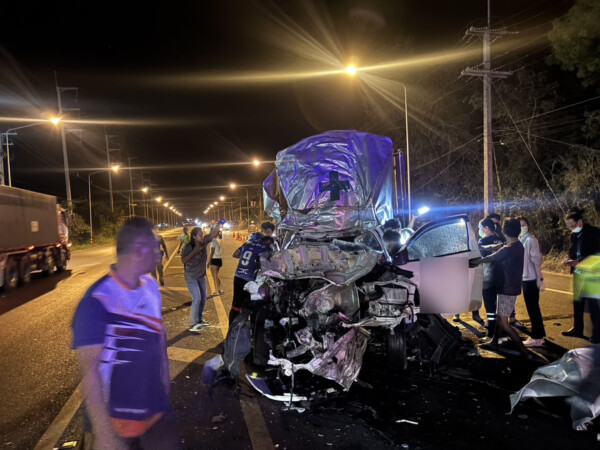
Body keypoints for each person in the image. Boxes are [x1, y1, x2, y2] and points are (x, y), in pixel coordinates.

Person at [71, 218, 181, 449]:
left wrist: (164, 386)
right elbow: (90, 372)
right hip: (115, 423)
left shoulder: (151, 287)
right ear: (138, 249)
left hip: (156, 414)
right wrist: (104, 434)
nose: (159, 254)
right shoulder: (98, 299)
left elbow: (159, 339)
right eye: (154, 248)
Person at [475, 218, 531, 359]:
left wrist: (475, 261)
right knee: (500, 319)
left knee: (504, 323)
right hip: (512, 287)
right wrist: (482, 249)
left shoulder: (509, 249)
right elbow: (496, 248)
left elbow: (492, 257)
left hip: (507, 288)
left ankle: (524, 351)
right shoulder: (517, 245)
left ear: (504, 231)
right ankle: (494, 342)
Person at [562, 211, 600, 338]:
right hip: (578, 272)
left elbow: (596, 253)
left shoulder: (594, 233)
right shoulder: (574, 234)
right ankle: (577, 329)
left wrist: (579, 262)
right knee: (578, 302)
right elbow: (573, 250)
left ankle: (597, 334)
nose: (571, 229)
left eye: (572, 226)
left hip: (591, 273)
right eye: (568, 227)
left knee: (593, 304)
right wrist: (569, 260)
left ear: (579, 222)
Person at [182, 226, 220, 333]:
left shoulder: (203, 242)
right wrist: (194, 251)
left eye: (202, 234)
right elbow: (183, 260)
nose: (202, 236)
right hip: (191, 276)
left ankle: (199, 320)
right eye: (200, 235)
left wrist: (219, 224)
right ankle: (193, 324)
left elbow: (213, 234)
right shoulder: (188, 246)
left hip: (201, 275)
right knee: (197, 298)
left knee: (203, 298)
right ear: (194, 237)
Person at [229, 233, 273, 325]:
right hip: (250, 280)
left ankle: (231, 328)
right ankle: (252, 329)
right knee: (252, 305)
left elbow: (235, 254)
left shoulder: (246, 244)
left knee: (236, 305)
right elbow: (270, 262)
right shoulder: (265, 248)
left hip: (238, 276)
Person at [517, 217, 547, 347]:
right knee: (532, 308)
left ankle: (537, 337)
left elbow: (537, 261)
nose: (523, 227)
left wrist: (540, 279)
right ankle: (538, 336)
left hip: (531, 279)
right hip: (525, 278)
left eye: (524, 224)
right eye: (520, 225)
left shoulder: (531, 240)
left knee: (533, 308)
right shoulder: (520, 240)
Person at [471, 217, 504, 331]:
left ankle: (492, 329)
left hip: (488, 277)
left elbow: (480, 258)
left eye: (480, 228)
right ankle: (501, 328)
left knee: (490, 305)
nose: (479, 230)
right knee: (499, 304)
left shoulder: (483, 241)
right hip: (501, 276)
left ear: (486, 228)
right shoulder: (500, 239)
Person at [207, 229, 224, 297]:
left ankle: (217, 291)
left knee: (214, 277)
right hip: (219, 259)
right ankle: (221, 289)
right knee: (216, 275)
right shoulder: (219, 240)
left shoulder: (213, 241)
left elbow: (212, 252)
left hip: (214, 259)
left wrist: (209, 261)